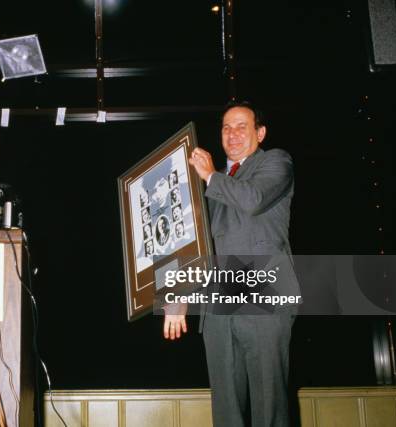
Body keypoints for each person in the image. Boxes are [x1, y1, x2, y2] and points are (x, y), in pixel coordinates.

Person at [163, 101, 299, 427]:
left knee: (271, 404)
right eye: (226, 127)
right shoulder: (211, 184)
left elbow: (252, 200)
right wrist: (177, 297)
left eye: (242, 127)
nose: (232, 134)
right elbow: (192, 244)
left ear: (260, 132)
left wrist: (209, 175)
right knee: (226, 407)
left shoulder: (276, 162)